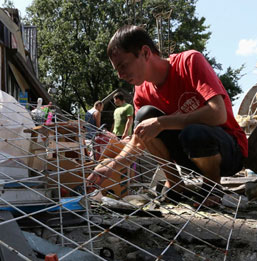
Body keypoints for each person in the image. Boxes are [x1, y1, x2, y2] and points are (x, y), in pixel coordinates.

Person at [88, 25, 248, 203]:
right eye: (116, 69)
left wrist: (162, 123)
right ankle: (174, 182)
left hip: (228, 151)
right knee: (145, 115)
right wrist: (112, 166)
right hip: (189, 157)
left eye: (123, 65)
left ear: (146, 53)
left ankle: (212, 187)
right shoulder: (141, 92)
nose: (120, 75)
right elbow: (139, 139)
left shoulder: (189, 61)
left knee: (193, 132)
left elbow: (218, 114)